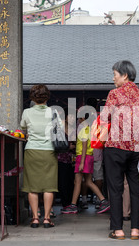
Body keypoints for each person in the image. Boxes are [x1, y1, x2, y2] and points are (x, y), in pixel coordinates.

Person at [102, 60, 139, 240]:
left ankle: (118, 230)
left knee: (115, 188)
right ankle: (136, 230)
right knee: (136, 188)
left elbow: (105, 117)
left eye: (115, 74)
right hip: (138, 148)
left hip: (116, 147)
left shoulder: (114, 94)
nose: (113, 78)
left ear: (125, 75)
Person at [20, 84, 58, 228]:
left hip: (32, 151)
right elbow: (58, 129)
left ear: (32, 97)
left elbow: (23, 128)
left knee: (32, 187)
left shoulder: (27, 112)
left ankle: (35, 218)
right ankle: (47, 218)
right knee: (49, 186)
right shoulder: (53, 112)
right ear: (47, 97)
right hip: (49, 151)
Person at [60, 111, 110, 214]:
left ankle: (74, 205)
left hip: (83, 157)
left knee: (78, 181)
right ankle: (103, 201)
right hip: (88, 157)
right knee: (87, 182)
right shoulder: (89, 128)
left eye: (79, 118)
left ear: (83, 118)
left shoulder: (83, 129)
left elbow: (83, 146)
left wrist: (82, 161)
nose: (77, 120)